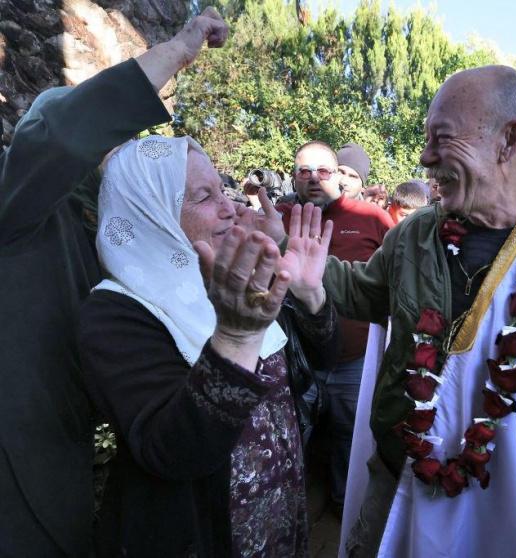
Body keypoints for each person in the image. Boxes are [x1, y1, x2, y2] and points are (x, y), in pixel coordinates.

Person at [284, 65, 516, 557]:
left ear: (508, 141)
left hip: (509, 497)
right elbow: (366, 293)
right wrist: (305, 267)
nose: (425, 156)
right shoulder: (415, 233)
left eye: (441, 138)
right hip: (398, 472)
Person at [0, 9, 227, 556]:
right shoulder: (21, 204)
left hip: (88, 464)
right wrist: (178, 49)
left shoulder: (126, 228)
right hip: (26, 473)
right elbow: (60, 136)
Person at [78, 135, 337, 556]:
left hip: (279, 519)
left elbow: (323, 360)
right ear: (153, 210)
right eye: (203, 196)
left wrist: (310, 293)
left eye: (223, 190)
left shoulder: (231, 276)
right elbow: (171, 452)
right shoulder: (114, 314)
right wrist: (235, 338)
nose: (231, 207)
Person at [277, 141, 394, 513]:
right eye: (304, 172)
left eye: (323, 171)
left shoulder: (372, 219)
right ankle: (290, 508)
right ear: (294, 177)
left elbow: (393, 281)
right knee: (293, 434)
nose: (314, 179)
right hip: (296, 358)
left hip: (353, 358)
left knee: (348, 434)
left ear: (339, 174)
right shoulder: (279, 218)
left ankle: (345, 506)